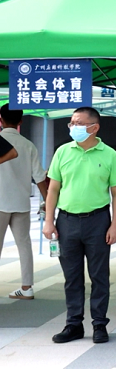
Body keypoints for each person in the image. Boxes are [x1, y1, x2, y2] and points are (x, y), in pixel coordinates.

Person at [44, 107, 116, 344]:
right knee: (72, 277)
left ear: (94, 127)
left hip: (98, 221)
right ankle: (74, 324)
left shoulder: (109, 154)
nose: (73, 127)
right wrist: (49, 221)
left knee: (99, 275)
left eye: (78, 123)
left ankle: (99, 324)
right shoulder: (62, 151)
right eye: (71, 122)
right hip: (66, 221)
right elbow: (53, 189)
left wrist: (115, 225)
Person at [0, 104, 48, 300]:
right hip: (21, 202)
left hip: (0, 202)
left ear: (1, 120)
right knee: (24, 245)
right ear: (20, 121)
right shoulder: (28, 145)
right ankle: (27, 287)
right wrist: (47, 201)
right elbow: (40, 177)